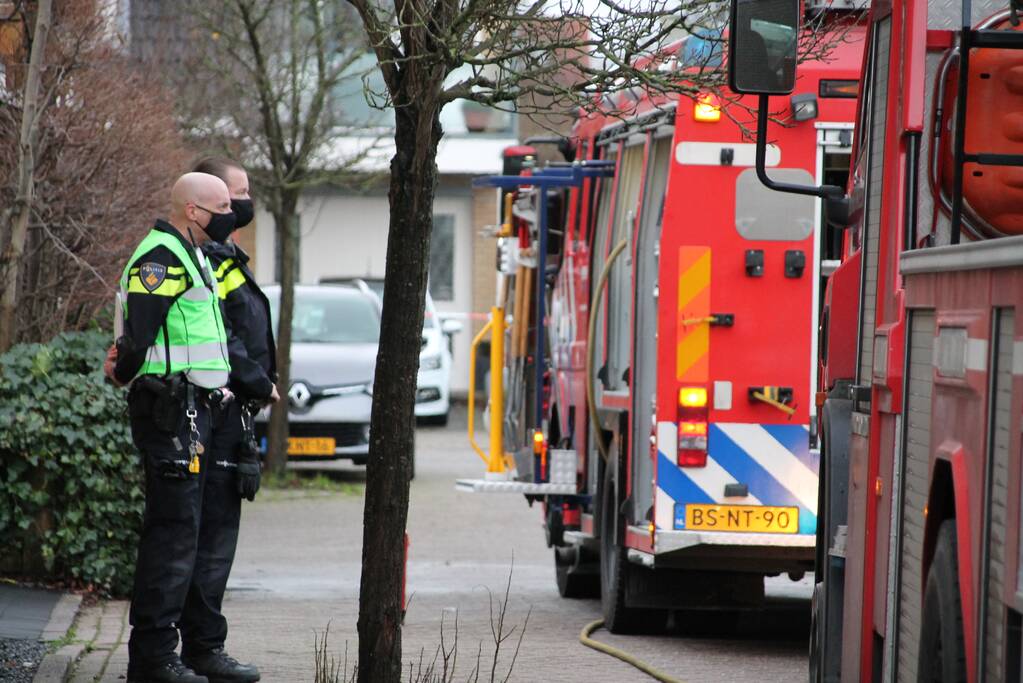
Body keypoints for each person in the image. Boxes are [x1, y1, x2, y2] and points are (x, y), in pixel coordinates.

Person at [103, 172, 260, 683]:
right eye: (221, 205)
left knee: (201, 534)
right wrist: (121, 370)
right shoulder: (160, 258)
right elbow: (139, 339)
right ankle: (151, 659)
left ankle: (200, 650)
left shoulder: (195, 256)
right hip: (170, 411)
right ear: (193, 210)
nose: (230, 212)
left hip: (203, 410)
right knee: (172, 537)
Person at [174, 156, 279, 681]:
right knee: (209, 541)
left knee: (218, 539)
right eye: (236, 193)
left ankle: (201, 645)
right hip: (213, 416)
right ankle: (200, 649)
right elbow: (222, 339)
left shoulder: (228, 256)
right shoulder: (208, 262)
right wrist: (260, 382)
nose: (243, 201)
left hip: (232, 417)